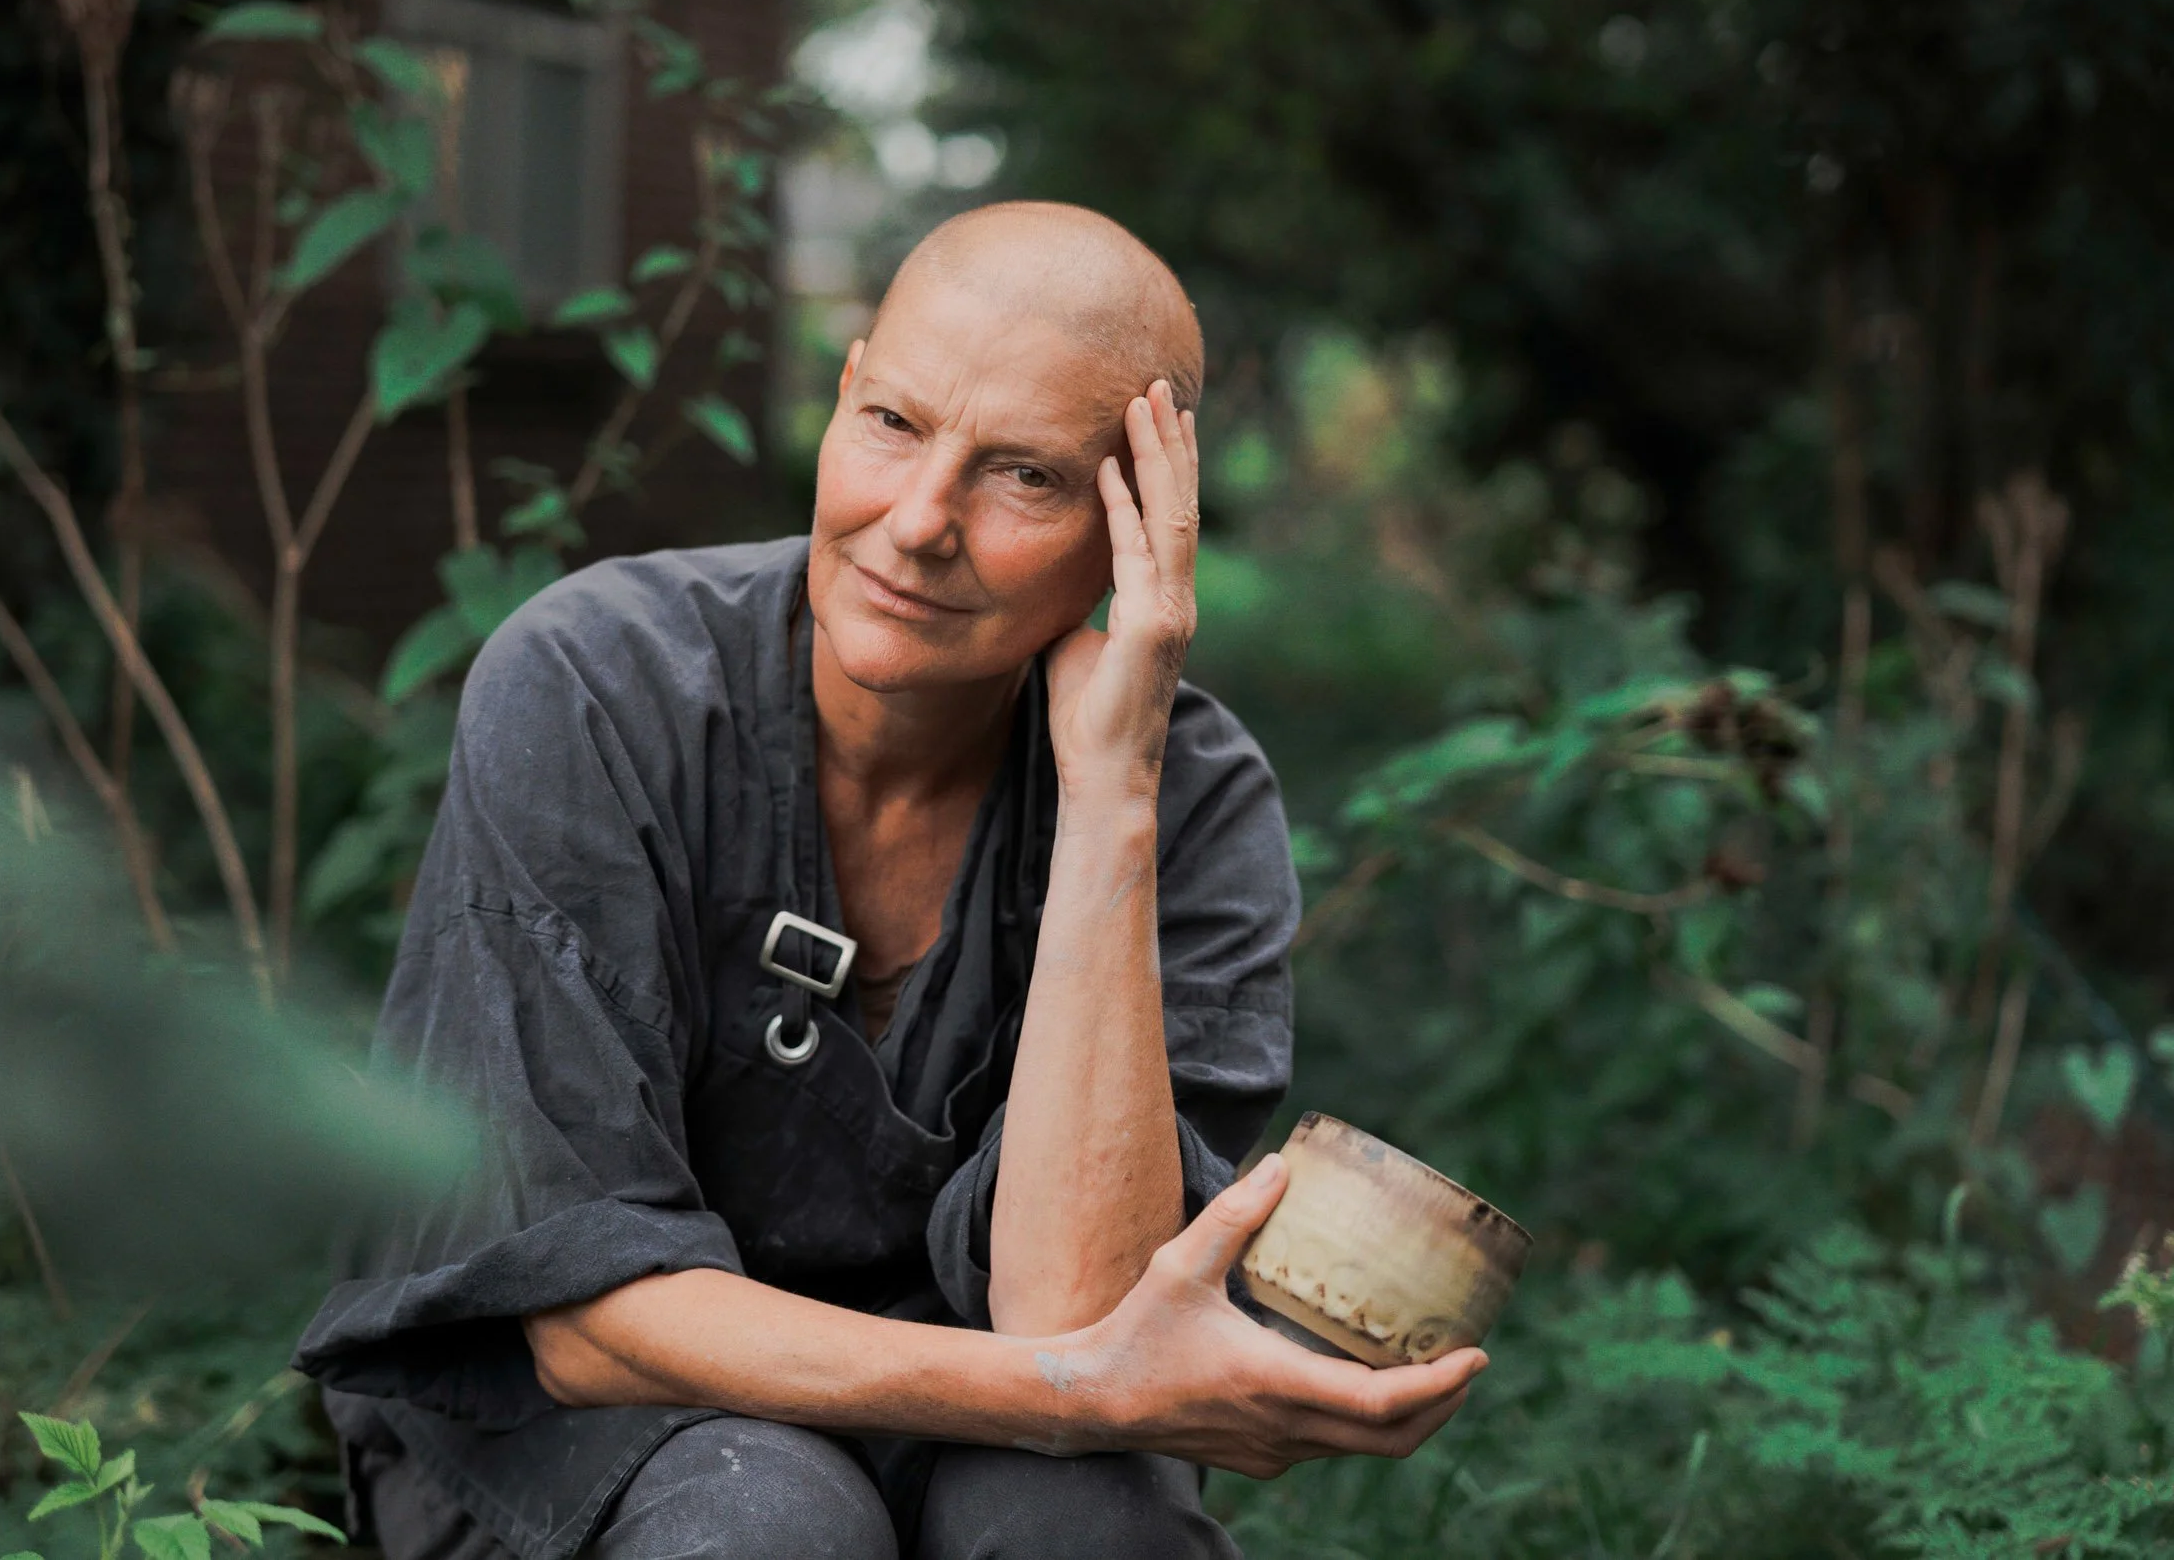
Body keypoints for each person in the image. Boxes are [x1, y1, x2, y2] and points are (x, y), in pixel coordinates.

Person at [293, 202, 1485, 1560]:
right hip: (566, 1435)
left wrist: (1110, 805)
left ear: (1137, 526)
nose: (918, 521)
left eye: (1023, 476)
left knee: (1084, 1528)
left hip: (978, 1414)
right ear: (843, 391)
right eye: (895, 425)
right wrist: (1073, 1393)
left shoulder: (1192, 798)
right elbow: (579, 1320)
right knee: (773, 1521)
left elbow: (1077, 1307)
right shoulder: (594, 687)